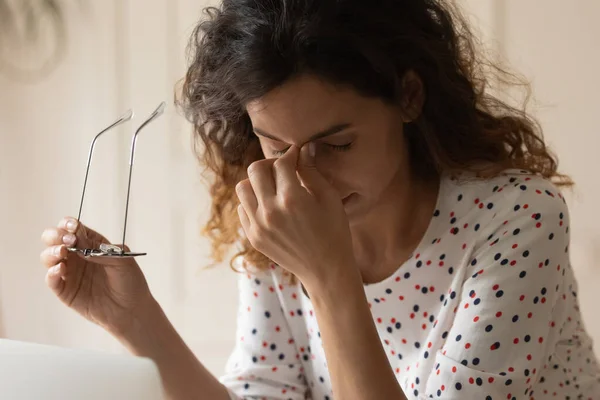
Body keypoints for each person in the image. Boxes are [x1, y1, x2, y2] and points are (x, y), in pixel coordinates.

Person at [40, 0, 600, 399]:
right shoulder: (278, 210)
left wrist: (330, 275)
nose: (304, 177)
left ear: (409, 96)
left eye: (336, 143)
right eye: (275, 143)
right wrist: (135, 320)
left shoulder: (516, 218)